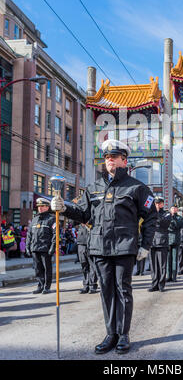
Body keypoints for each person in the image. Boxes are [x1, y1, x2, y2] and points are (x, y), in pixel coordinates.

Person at [51, 139, 156, 354]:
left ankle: (124, 334)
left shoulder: (137, 188)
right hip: (99, 247)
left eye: (114, 157)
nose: (109, 160)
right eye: (107, 158)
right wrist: (63, 208)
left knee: (123, 291)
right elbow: (83, 214)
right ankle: (111, 334)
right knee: (106, 292)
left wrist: (145, 245)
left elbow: (151, 217)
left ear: (124, 161)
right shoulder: (94, 187)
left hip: (124, 246)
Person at [25, 198, 56, 294]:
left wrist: (52, 247)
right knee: (38, 269)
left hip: (45, 248)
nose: (40, 208)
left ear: (47, 207)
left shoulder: (52, 219)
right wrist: (27, 246)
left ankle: (47, 286)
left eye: (42, 206)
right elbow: (29, 234)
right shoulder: (34, 219)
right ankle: (40, 285)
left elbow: (56, 234)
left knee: (47, 269)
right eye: (39, 207)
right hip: (35, 248)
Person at [148, 197, 171, 292]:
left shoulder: (167, 214)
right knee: (153, 266)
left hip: (161, 242)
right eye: (155, 203)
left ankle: (161, 285)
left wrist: (156, 213)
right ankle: (154, 284)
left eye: (159, 203)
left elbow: (165, 224)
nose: (157, 205)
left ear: (162, 204)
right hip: (152, 242)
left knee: (162, 265)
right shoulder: (150, 213)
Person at [77, 221, 98, 294]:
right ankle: (86, 285)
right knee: (84, 266)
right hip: (81, 244)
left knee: (92, 266)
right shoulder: (79, 220)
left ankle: (92, 285)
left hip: (91, 244)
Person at [166, 203, 182, 282]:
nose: (174, 209)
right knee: (168, 259)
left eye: (175, 208)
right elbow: (166, 226)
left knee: (174, 260)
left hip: (175, 240)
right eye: (172, 208)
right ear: (170, 209)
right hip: (168, 240)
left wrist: (173, 218)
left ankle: (174, 276)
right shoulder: (166, 216)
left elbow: (178, 226)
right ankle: (168, 276)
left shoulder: (179, 217)